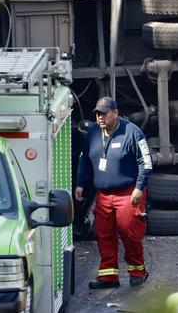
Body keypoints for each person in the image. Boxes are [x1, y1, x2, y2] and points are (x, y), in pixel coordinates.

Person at [75, 97, 153, 288]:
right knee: (103, 234)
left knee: (130, 233)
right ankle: (108, 277)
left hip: (128, 193)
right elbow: (85, 160)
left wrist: (139, 188)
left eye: (104, 113)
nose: (100, 117)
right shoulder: (93, 133)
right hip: (103, 195)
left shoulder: (133, 133)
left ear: (115, 113)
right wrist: (80, 184)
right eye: (97, 114)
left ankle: (137, 271)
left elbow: (146, 163)